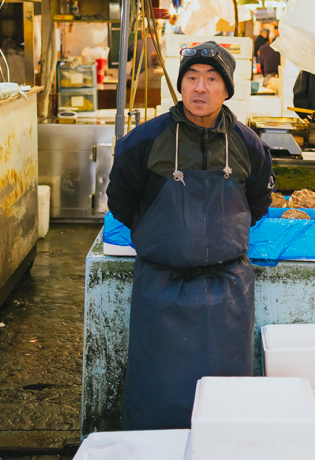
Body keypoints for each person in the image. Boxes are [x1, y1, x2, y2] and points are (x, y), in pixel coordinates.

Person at [106, 41, 273, 430]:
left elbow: (258, 203)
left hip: (229, 292)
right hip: (159, 289)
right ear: (180, 86)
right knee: (157, 400)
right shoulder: (143, 142)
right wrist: (163, 239)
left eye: (212, 79)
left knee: (223, 407)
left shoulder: (249, 146)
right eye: (192, 78)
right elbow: (121, 202)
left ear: (227, 90)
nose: (201, 88)